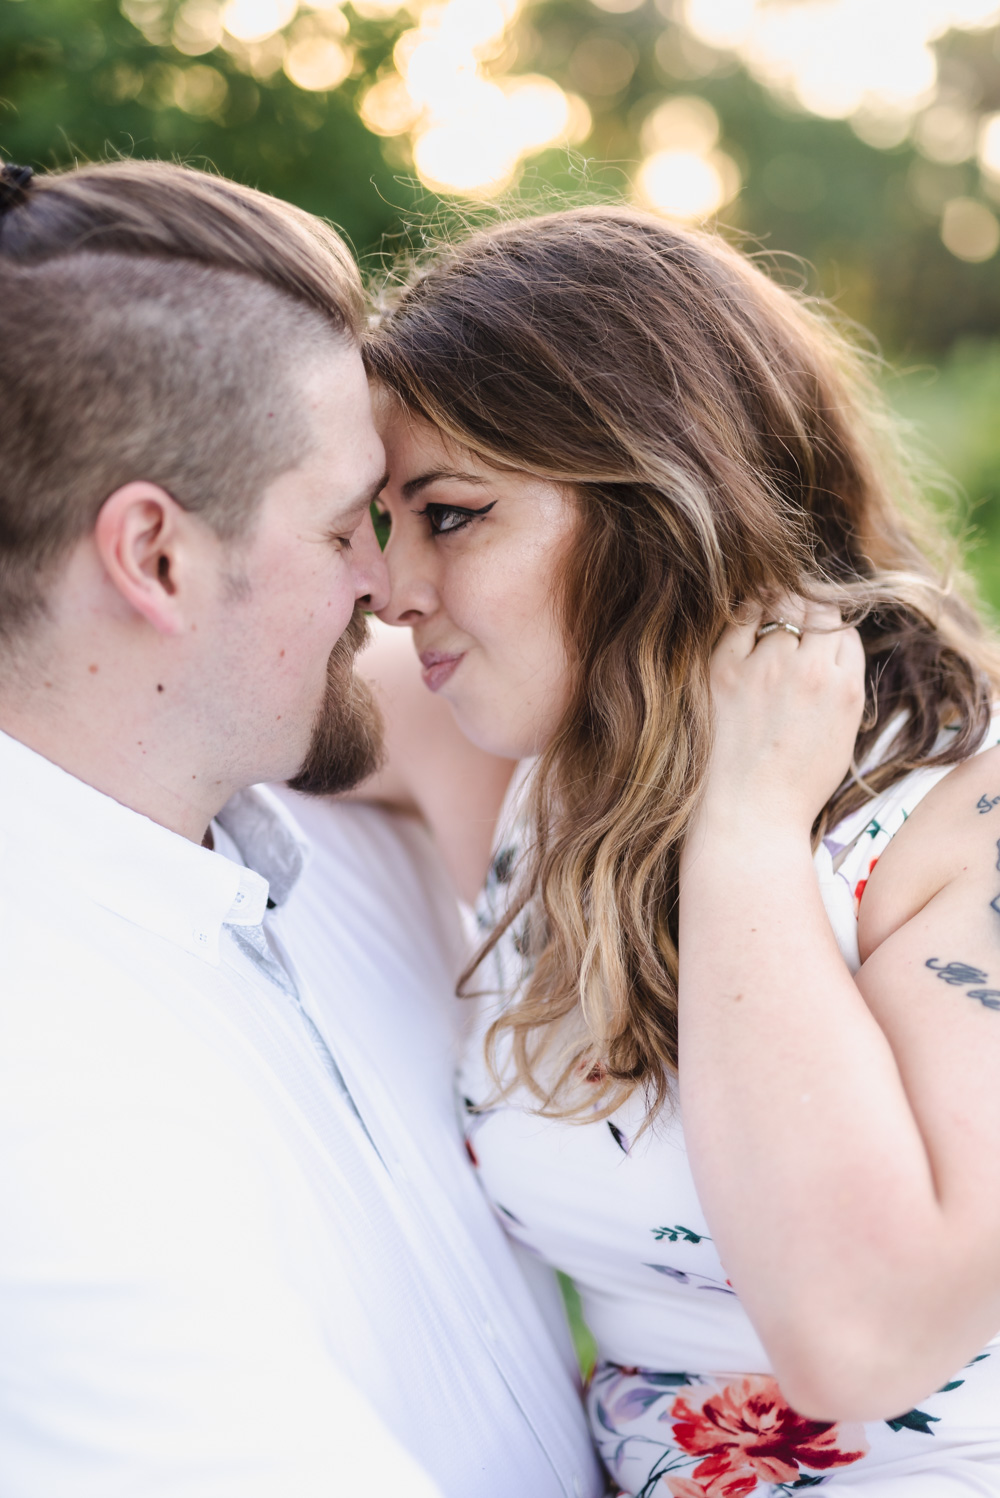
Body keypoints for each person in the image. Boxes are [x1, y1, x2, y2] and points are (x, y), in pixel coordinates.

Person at [362, 206, 1000, 1495]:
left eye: (450, 515)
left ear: (658, 498)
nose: (390, 586)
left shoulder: (955, 823)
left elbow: (864, 1339)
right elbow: (159, 648)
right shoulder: (522, 761)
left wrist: (751, 833)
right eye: (377, 522)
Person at [0, 159, 603, 1498]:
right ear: (155, 556)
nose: (390, 588)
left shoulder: (333, 822)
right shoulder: (37, 1113)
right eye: (347, 527)